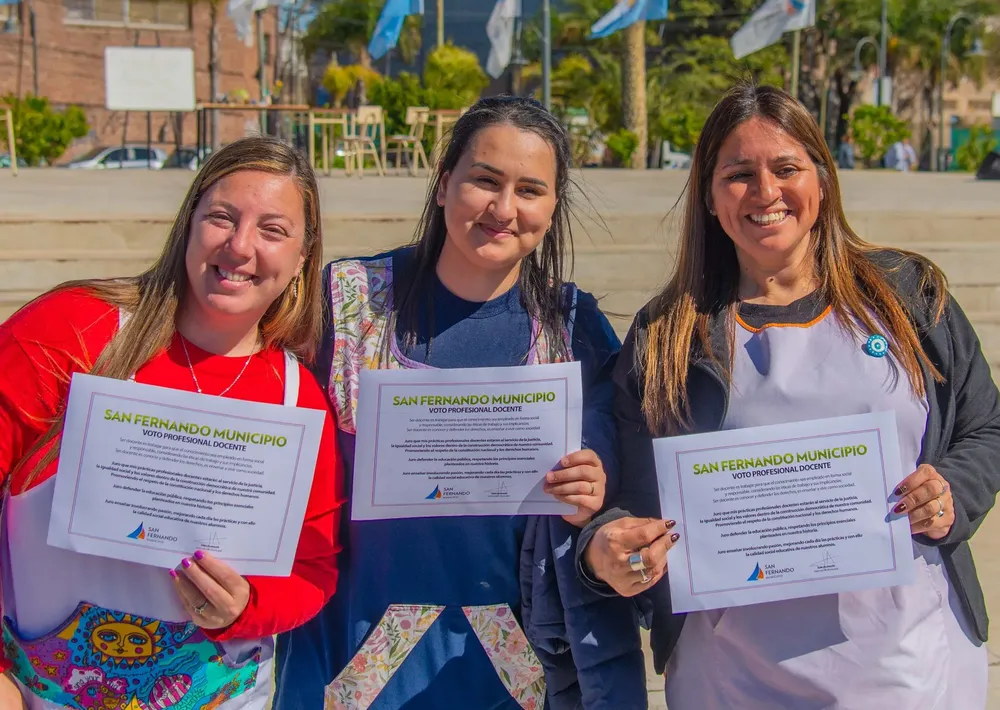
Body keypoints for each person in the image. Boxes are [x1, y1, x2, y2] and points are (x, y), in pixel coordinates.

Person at [578, 82, 1000, 708]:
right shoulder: (667, 332)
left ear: (822, 181)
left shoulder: (909, 294)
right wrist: (610, 549)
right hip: (732, 677)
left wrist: (949, 495)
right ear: (710, 196)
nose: (766, 192)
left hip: (909, 666)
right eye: (739, 174)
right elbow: (632, 501)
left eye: (786, 169)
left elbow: (985, 427)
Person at [274, 96, 646, 710]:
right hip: (350, 652)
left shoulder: (575, 329)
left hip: (514, 668)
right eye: (484, 180)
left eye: (530, 190)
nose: (504, 210)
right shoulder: (341, 303)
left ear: (553, 209)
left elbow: (618, 499)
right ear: (444, 183)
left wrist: (595, 498)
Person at [0, 136, 344, 709]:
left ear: (302, 259)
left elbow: (314, 569)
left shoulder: (298, 399)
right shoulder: (76, 331)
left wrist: (246, 607)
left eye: (272, 230)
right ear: (188, 224)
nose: (240, 246)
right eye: (221, 218)